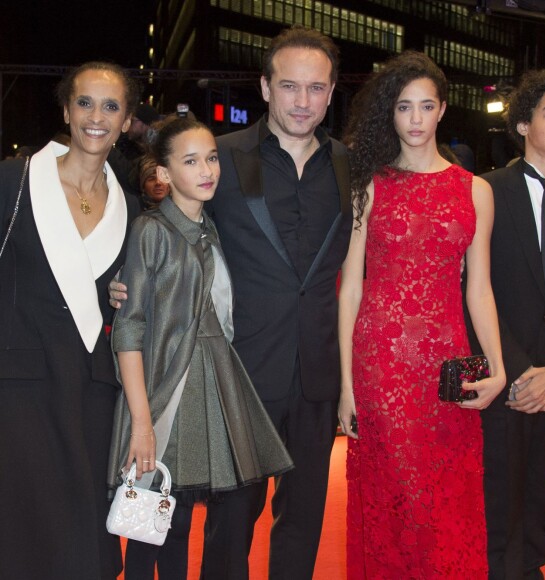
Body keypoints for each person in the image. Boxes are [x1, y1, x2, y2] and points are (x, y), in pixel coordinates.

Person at [110, 25, 353, 579]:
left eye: (316, 88)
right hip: (238, 371)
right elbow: (174, 234)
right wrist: (121, 282)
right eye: (289, 86)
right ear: (266, 88)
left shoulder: (346, 164)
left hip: (316, 371)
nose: (302, 100)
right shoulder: (220, 157)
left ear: (331, 92)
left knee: (305, 517)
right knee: (232, 521)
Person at [338, 50, 506, 578]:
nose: (414, 119)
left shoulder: (475, 190)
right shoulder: (371, 184)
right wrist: (346, 383)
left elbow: (479, 288)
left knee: (445, 492)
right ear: (390, 113)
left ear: (442, 110)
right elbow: (350, 289)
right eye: (404, 107)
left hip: (446, 364)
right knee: (398, 493)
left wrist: (497, 366)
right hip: (380, 362)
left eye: (425, 106)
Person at [106, 117, 293, 580]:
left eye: (211, 157)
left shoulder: (211, 227)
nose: (207, 169)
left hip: (214, 383)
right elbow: (129, 329)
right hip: (168, 392)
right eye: (190, 161)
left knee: (181, 520)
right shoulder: (152, 231)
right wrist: (143, 424)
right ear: (164, 174)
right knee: (154, 530)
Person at [0, 62, 141, 580]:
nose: (96, 117)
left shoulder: (128, 206)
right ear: (66, 110)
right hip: (20, 385)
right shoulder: (14, 180)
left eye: (111, 106)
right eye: (85, 103)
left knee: (85, 527)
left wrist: (125, 295)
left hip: (92, 387)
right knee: (24, 524)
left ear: (127, 120)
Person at [473, 69, 545, 579]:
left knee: (540, 495)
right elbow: (476, 288)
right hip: (501, 375)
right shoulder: (487, 191)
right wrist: (517, 371)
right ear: (522, 123)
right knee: (497, 498)